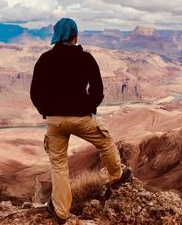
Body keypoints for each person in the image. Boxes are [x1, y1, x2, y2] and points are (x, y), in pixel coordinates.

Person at [30, 18, 131, 224]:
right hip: (81, 117)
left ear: (56, 37)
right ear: (75, 36)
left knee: (58, 165)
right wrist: (88, 108)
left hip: (55, 121)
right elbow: (98, 91)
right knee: (105, 142)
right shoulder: (86, 59)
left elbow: (35, 93)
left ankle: (60, 211)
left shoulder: (44, 59)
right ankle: (116, 177)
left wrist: (46, 112)